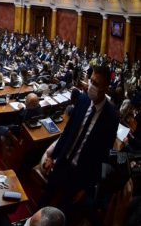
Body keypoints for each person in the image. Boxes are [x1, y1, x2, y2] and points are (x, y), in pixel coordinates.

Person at [41, 65, 119, 212]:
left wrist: (87, 188)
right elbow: (68, 132)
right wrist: (53, 156)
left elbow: (102, 156)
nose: (91, 86)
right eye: (91, 81)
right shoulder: (83, 100)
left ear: (106, 88)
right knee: (45, 198)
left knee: (63, 211)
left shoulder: (111, 118)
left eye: (96, 84)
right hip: (62, 161)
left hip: (80, 174)